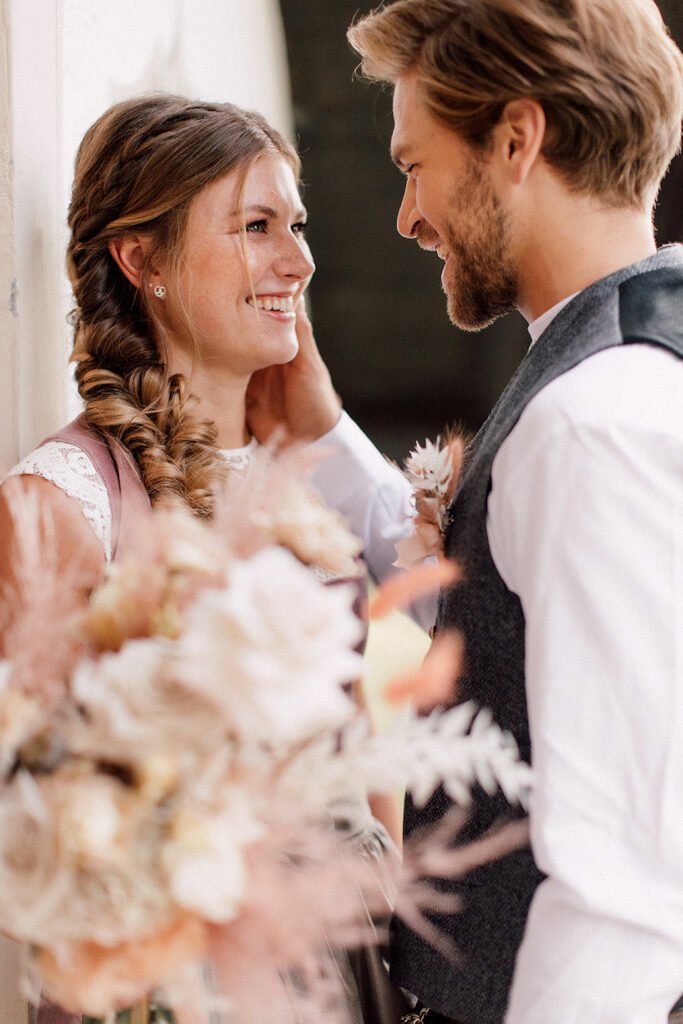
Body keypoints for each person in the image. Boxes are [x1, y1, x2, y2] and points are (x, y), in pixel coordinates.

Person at [258, 0, 683, 1021]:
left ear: (514, 138)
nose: (406, 216)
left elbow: (619, 882)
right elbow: (500, 630)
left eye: (414, 166)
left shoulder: (594, 423)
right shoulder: (612, 368)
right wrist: (328, 440)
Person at [0, 94, 411, 1024]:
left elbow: (359, 754)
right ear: (141, 259)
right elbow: (43, 840)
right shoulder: (61, 506)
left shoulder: (306, 485)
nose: (299, 261)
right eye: (256, 226)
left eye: (296, 226)